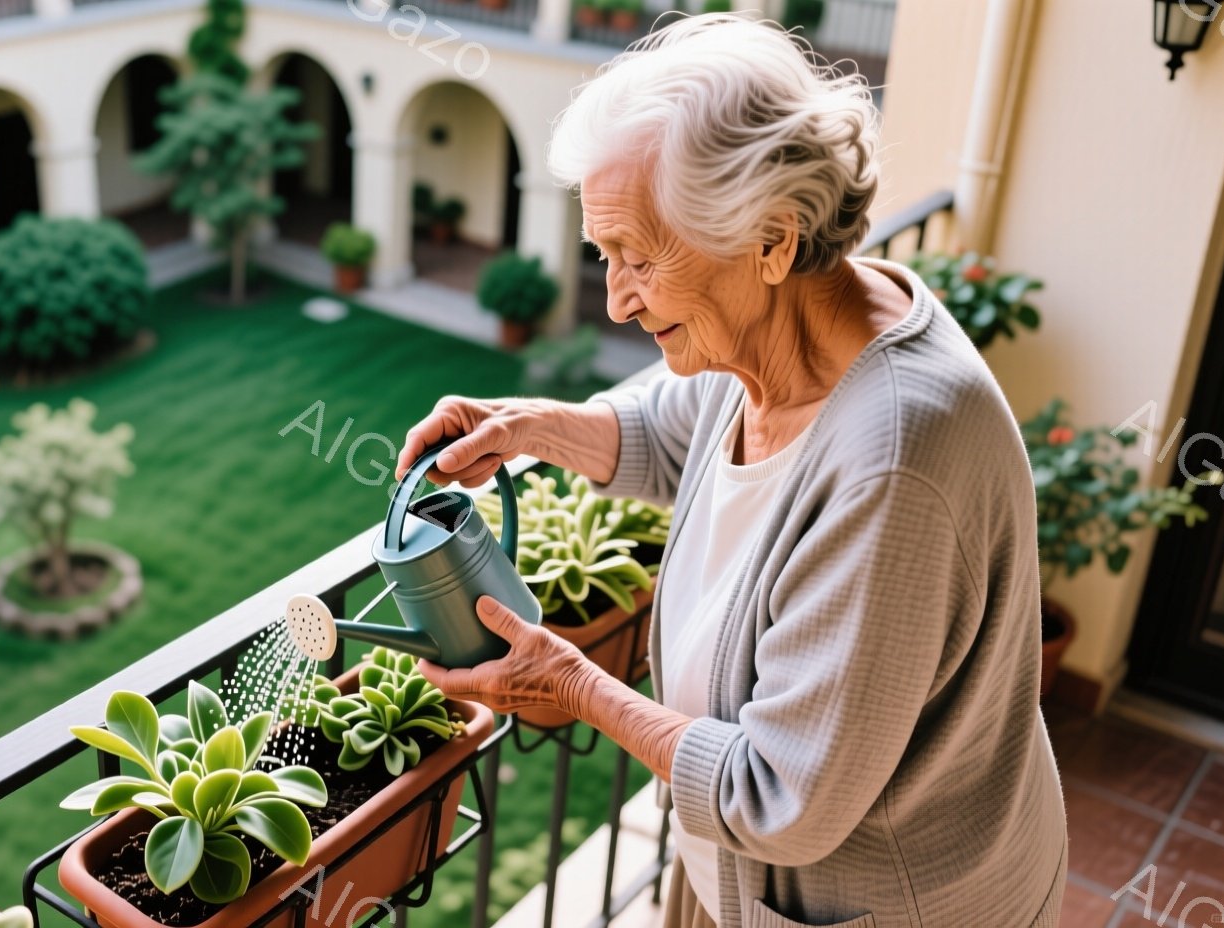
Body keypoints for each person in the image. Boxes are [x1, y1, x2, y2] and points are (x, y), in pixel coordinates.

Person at [395, 15, 1067, 928]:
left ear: (774, 239)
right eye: (605, 256)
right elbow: (671, 434)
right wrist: (525, 427)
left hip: (890, 903)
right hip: (742, 878)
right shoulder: (787, 326)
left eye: (640, 258)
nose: (616, 301)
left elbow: (777, 796)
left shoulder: (892, 462)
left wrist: (575, 686)